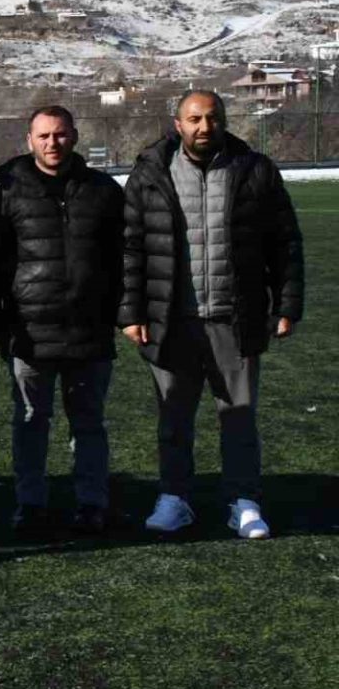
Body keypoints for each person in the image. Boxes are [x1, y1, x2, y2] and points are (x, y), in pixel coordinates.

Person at [119, 91, 303, 539]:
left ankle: (244, 501)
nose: (205, 127)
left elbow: (285, 243)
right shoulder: (150, 173)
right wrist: (130, 312)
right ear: (178, 123)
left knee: (239, 417)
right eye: (195, 118)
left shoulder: (255, 170)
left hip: (234, 317)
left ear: (224, 120)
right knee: (173, 419)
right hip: (170, 319)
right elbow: (130, 248)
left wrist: (287, 304)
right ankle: (174, 498)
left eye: (213, 118)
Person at [0, 105, 124, 535]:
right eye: (43, 136)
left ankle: (91, 503)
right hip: (29, 334)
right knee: (30, 423)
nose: (52, 143)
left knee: (89, 424)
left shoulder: (103, 190)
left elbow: (125, 257)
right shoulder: (7, 191)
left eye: (59, 134)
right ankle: (30, 503)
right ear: (29, 141)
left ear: (74, 136)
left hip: (89, 333)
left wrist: (116, 313)